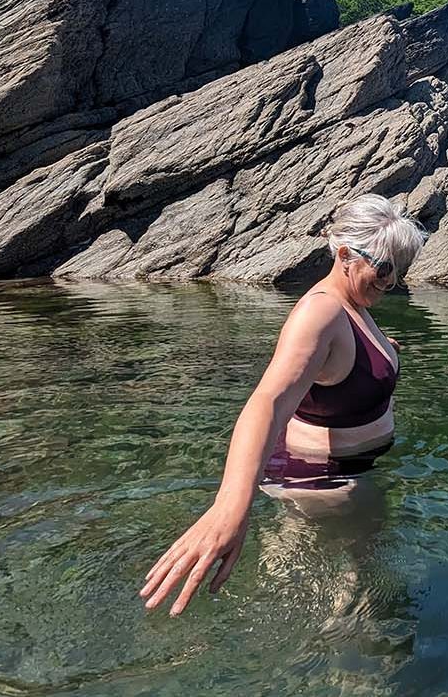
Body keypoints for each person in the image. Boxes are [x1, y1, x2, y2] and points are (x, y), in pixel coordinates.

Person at [139, 194, 426, 617]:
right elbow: (268, 402)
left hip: (345, 473)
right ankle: (335, 666)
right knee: (355, 596)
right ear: (345, 254)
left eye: (398, 272)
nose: (389, 282)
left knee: (325, 576)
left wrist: (383, 353)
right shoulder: (322, 311)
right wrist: (231, 506)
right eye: (383, 269)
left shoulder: (353, 305)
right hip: (323, 480)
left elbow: (337, 370)